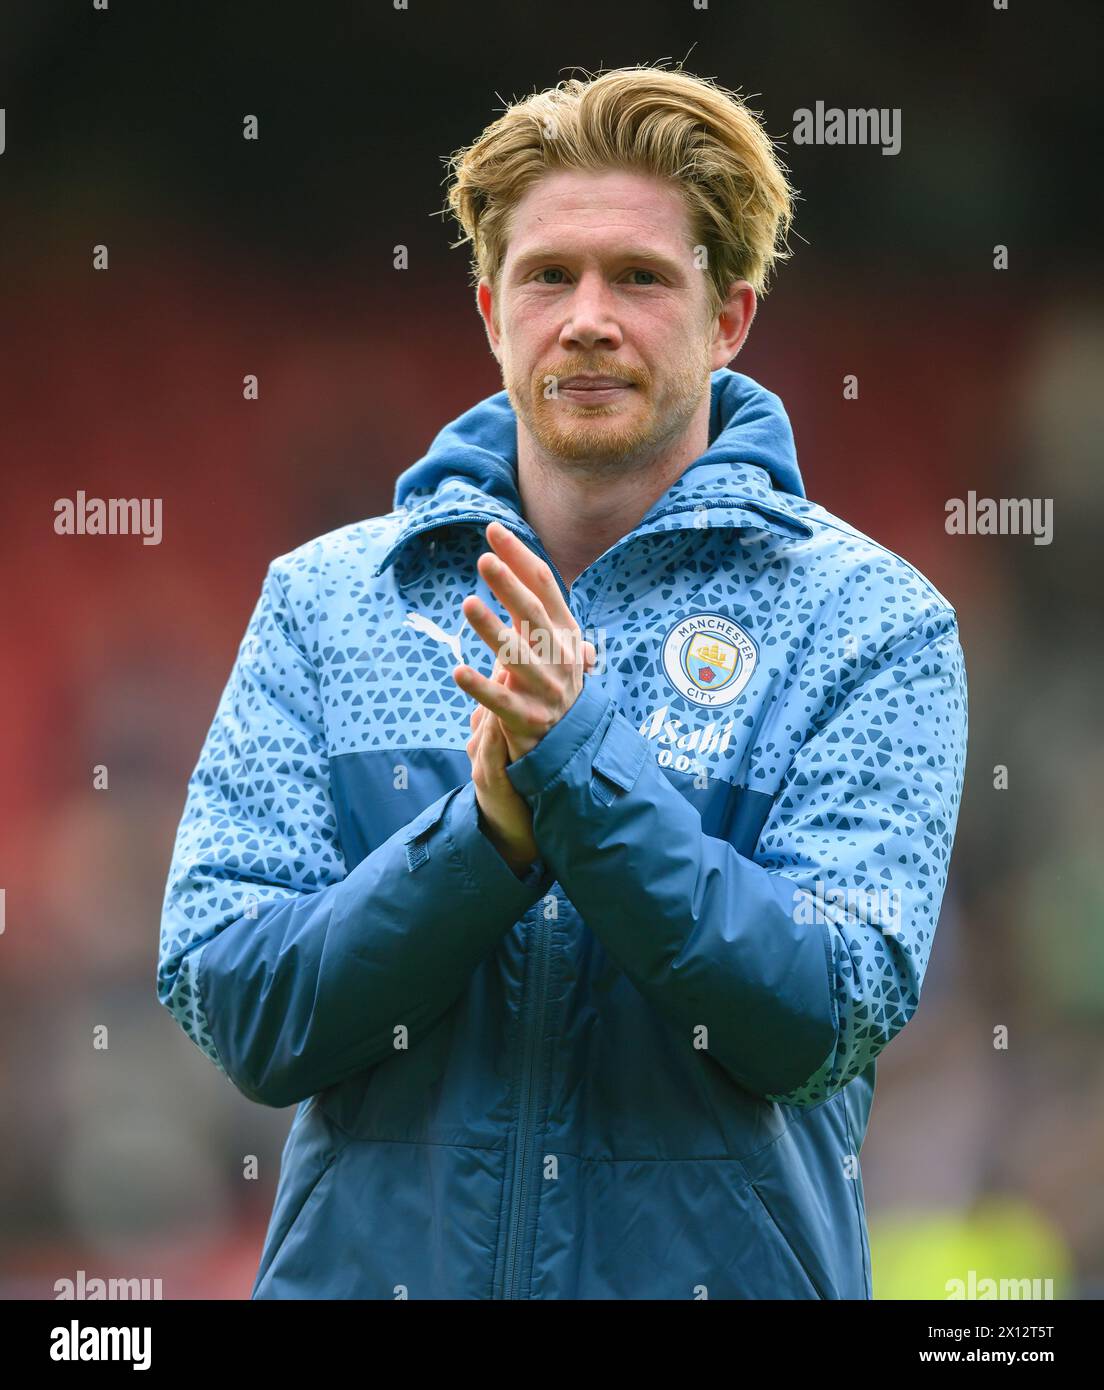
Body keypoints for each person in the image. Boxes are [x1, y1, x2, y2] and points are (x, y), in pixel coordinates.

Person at [157, 63, 968, 1299]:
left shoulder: (871, 622)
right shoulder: (325, 603)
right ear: (491, 309)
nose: (589, 316)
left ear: (729, 317)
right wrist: (479, 840)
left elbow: (826, 1015)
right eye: (550, 276)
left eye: (640, 277)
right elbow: (236, 1000)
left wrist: (578, 772)